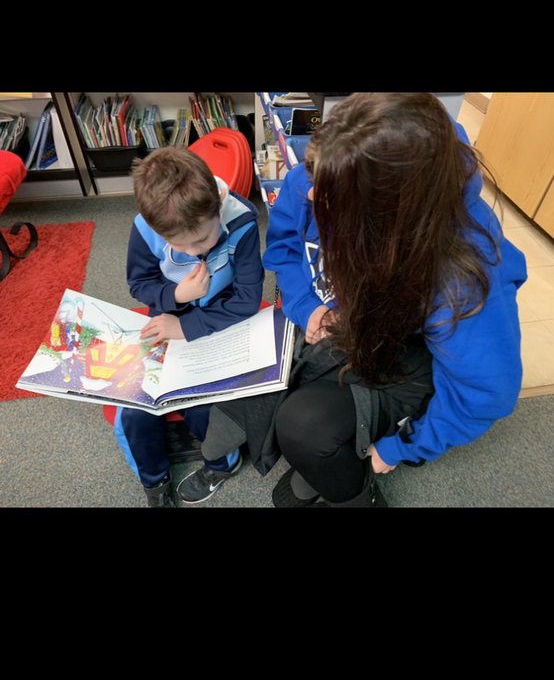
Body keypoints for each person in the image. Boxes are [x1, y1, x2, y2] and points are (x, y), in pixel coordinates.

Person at [183, 92, 528, 507]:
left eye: (331, 199)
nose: (309, 197)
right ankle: (323, 455)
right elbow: (287, 250)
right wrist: (307, 306)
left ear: (386, 215)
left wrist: (402, 448)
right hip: (340, 320)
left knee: (303, 426)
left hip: (403, 353)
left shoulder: (460, 277)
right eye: (314, 181)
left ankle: (359, 491)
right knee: (246, 374)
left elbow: (486, 393)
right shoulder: (325, 175)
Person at [115, 147, 264, 507]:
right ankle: (154, 481)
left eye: (203, 240)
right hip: (166, 319)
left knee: (206, 407)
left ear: (218, 205)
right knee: (135, 410)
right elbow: (140, 283)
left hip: (221, 323)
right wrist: (177, 295)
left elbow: (246, 300)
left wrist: (189, 326)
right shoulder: (145, 228)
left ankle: (221, 464)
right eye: (180, 246)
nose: (196, 251)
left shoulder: (242, 221)